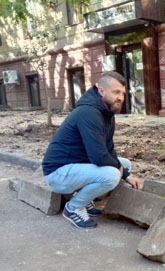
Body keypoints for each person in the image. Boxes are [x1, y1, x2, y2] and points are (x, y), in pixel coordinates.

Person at [42, 71, 140, 229]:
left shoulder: (107, 113)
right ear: (101, 91)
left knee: (125, 164)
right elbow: (98, 156)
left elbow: (108, 148)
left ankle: (85, 200)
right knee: (112, 174)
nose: (120, 97)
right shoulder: (89, 113)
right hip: (58, 173)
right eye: (116, 92)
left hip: (75, 166)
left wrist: (127, 174)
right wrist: (119, 170)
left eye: (122, 92)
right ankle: (73, 207)